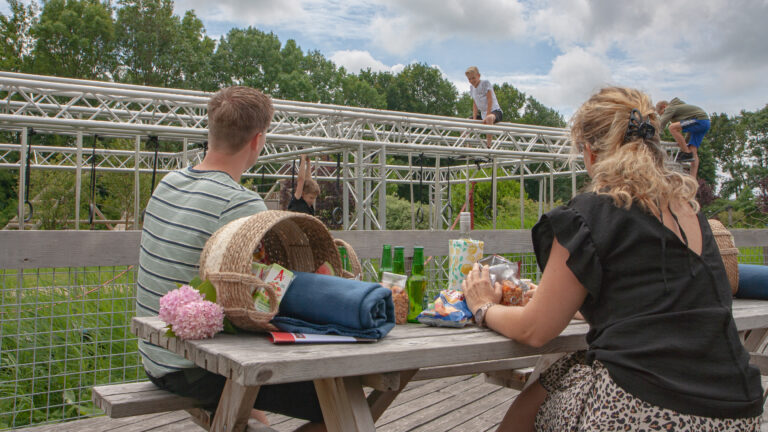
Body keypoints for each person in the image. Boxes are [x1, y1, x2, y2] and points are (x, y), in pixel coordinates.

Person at [464, 87, 763, 431]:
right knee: (564, 370)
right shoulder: (691, 215)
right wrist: (569, 304)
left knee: (533, 403)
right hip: (737, 410)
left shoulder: (590, 214)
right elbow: (651, 297)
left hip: (648, 410)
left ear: (590, 154)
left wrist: (483, 307)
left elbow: (535, 330)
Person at [136, 86, 326, 432]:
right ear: (257, 140)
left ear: (211, 130)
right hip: (197, 367)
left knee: (252, 415)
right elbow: (267, 299)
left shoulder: (167, 184)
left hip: (155, 356)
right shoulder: (240, 204)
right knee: (335, 396)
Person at [656, 97, 710, 180]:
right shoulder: (682, 111)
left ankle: (686, 153)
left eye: (661, 114)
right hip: (704, 123)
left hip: (700, 120)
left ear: (664, 107)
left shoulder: (670, 108)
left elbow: (661, 123)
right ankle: (693, 180)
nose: (665, 116)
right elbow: (690, 130)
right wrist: (684, 143)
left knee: (672, 127)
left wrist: (654, 135)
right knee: (693, 150)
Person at [466, 66, 503, 148]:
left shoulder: (485, 83)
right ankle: (468, 147)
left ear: (478, 76)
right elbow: (475, 104)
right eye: (469, 79)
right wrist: (474, 119)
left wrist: (487, 116)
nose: (471, 81)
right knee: (466, 121)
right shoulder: (472, 88)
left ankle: (488, 146)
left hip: (494, 111)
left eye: (473, 78)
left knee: (489, 118)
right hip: (483, 114)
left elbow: (490, 100)